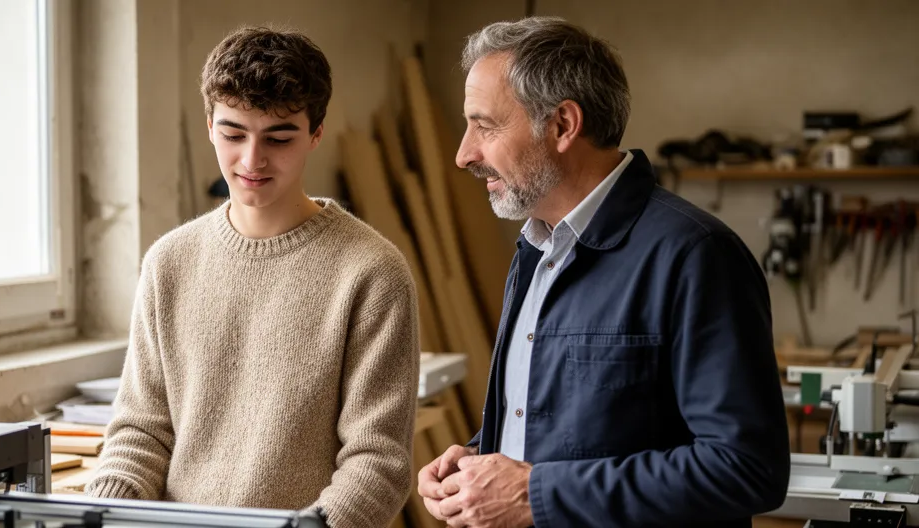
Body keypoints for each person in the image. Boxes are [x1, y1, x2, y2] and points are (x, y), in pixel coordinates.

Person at [417, 16, 790, 528]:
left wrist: (531, 492)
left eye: (484, 126)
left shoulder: (695, 255)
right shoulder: (537, 247)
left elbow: (747, 468)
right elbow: (580, 426)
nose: (464, 155)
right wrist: (481, 457)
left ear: (562, 125)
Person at [86, 26, 420, 528]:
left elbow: (378, 462)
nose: (251, 160)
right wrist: (106, 510)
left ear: (316, 133)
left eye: (278, 138)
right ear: (209, 126)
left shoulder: (372, 273)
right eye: (233, 134)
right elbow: (142, 431)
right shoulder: (168, 263)